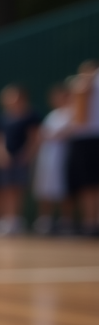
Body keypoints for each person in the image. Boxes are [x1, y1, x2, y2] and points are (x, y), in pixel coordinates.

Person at [0, 84, 40, 235]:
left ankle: (15, 220)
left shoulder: (31, 115)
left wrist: (27, 154)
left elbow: (34, 137)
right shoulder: (3, 118)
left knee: (17, 189)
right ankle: (5, 220)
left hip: (21, 159)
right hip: (5, 160)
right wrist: (0, 155)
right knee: (4, 189)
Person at [64, 62, 99, 234]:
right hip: (89, 139)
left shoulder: (83, 83)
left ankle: (90, 223)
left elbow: (80, 119)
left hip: (87, 139)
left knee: (88, 185)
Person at [33, 85, 72, 234]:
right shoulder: (52, 115)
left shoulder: (71, 113)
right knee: (45, 189)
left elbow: (64, 133)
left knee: (63, 189)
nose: (57, 99)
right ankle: (45, 220)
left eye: (61, 95)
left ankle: (66, 221)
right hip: (47, 157)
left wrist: (49, 136)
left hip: (62, 157)